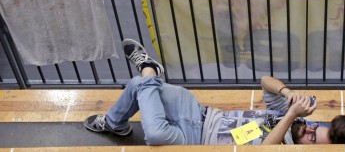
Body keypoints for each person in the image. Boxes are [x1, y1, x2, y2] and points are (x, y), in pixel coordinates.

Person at [83, 39, 326, 145]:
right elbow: (265, 81)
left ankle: (149, 69)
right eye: (316, 128)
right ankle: (117, 124)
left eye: (312, 138)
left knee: (155, 132)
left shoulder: (287, 134)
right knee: (138, 85)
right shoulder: (295, 118)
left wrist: (292, 114)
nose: (309, 128)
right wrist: (286, 92)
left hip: (192, 141)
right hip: (199, 113)